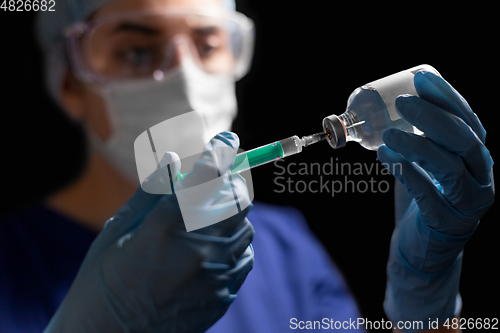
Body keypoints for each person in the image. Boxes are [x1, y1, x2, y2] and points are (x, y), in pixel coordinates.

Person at [0, 0, 494, 333]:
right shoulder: (11, 264)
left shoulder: (284, 248)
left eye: (208, 44)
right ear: (69, 82)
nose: (184, 77)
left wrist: (425, 312)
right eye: (135, 50)